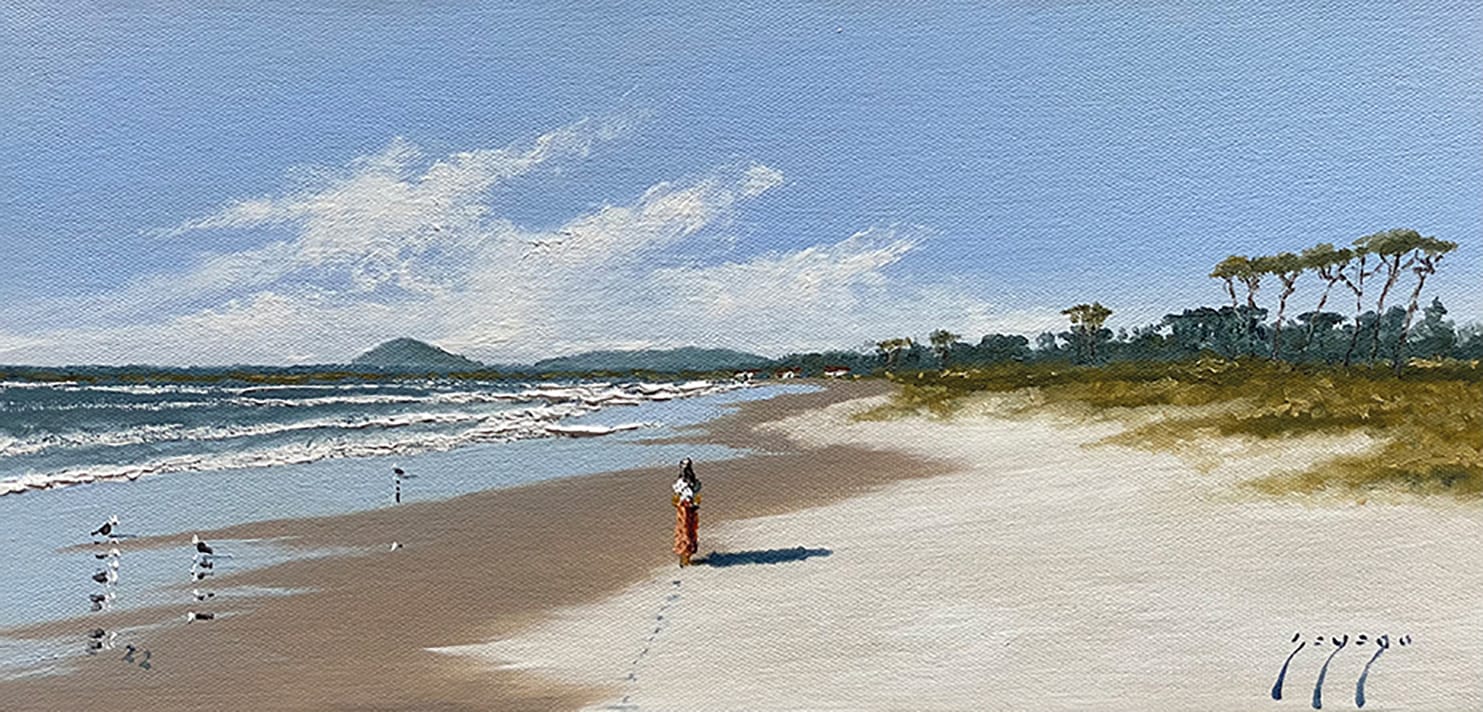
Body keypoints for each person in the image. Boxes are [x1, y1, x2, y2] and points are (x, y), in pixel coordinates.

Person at [671, 458, 702, 567]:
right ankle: (685, 556)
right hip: (686, 508)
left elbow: (678, 495)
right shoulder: (687, 482)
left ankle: (685, 556)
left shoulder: (685, 482)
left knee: (686, 529)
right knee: (686, 529)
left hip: (686, 508)